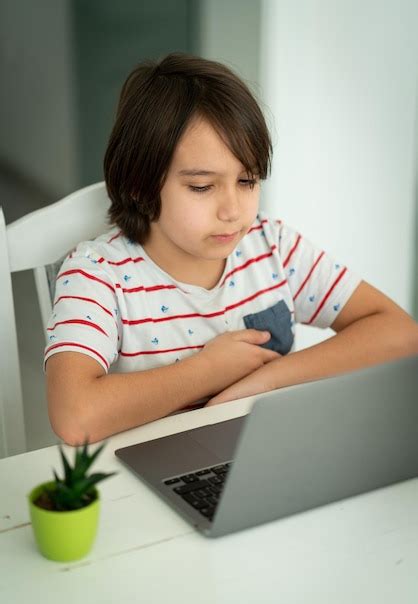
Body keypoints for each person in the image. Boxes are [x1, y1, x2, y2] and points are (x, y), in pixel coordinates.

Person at [45, 52, 418, 445]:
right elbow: (75, 416)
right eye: (202, 187)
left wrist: (267, 381)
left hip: (262, 451)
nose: (233, 211)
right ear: (138, 185)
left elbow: (400, 333)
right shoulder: (97, 273)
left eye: (248, 181)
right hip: (146, 475)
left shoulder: (271, 245)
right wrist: (206, 371)